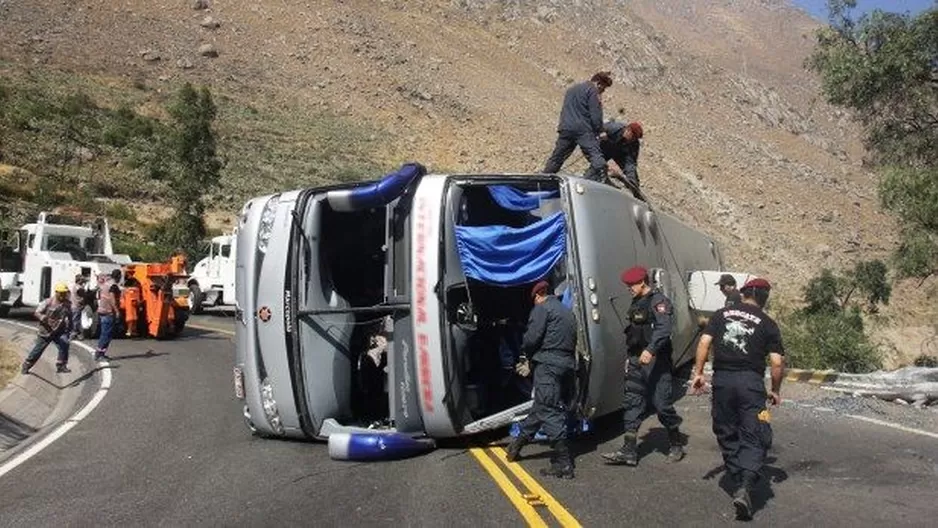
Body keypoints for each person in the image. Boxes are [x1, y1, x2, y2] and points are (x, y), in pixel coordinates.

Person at [690, 278, 785, 521]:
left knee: (725, 428)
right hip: (751, 384)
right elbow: (776, 363)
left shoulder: (721, 314)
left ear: (743, 293)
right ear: (764, 298)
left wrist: (699, 373)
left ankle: (737, 474)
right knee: (756, 431)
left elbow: (704, 342)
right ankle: (746, 482)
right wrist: (774, 389)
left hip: (722, 381)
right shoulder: (768, 323)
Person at [602, 266, 685, 466]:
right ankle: (629, 451)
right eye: (627, 285)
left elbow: (664, 329)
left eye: (631, 285)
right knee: (632, 402)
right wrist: (630, 357)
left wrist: (651, 350)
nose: (629, 288)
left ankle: (675, 443)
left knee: (662, 405)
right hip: (636, 361)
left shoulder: (659, 302)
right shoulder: (636, 302)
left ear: (643, 282)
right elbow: (633, 333)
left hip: (657, 362)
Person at [505, 280, 578, 479]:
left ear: (537, 296)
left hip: (548, 365)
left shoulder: (541, 309)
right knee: (541, 406)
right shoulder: (566, 312)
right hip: (566, 365)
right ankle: (516, 446)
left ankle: (564, 463)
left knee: (548, 409)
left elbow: (531, 338)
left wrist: (525, 355)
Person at [542, 71, 613, 182]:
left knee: (557, 157)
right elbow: (595, 115)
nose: (603, 91)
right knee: (595, 155)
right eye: (603, 88)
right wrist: (600, 131)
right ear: (598, 83)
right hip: (583, 130)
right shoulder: (593, 91)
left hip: (565, 128)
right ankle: (603, 179)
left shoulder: (571, 89)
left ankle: (544, 178)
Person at [21, 283, 73, 374]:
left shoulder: (67, 304)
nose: (63, 295)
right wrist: (43, 318)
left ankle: (61, 365)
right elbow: (37, 312)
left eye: (64, 293)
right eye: (61, 293)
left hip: (59, 330)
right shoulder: (48, 302)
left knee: (64, 343)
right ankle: (27, 365)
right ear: (56, 292)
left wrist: (71, 329)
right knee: (38, 350)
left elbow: (70, 316)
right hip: (46, 331)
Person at [600, 120, 644, 198]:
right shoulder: (614, 128)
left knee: (633, 179)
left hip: (619, 154)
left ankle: (637, 196)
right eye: (633, 137)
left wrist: (631, 177)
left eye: (635, 138)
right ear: (628, 130)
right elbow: (596, 130)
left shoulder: (634, 144)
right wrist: (600, 136)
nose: (634, 140)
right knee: (598, 167)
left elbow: (630, 162)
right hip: (604, 149)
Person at [95, 269, 122, 361]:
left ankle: (100, 353)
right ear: (118, 276)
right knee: (106, 334)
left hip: (102, 310)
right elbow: (112, 299)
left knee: (105, 334)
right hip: (108, 312)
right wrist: (117, 311)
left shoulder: (106, 283)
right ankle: (99, 354)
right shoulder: (113, 286)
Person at [69, 273, 88, 340]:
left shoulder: (74, 286)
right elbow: (84, 295)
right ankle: (73, 334)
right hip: (77, 306)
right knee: (76, 320)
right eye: (82, 280)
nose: (83, 281)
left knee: (75, 320)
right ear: (79, 280)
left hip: (73, 305)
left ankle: (75, 333)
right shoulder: (79, 288)